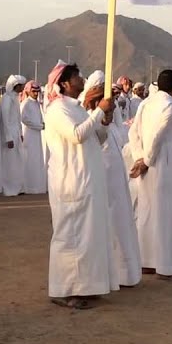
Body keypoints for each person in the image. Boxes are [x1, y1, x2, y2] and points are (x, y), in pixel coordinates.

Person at [42, 62, 115, 309]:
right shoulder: (57, 110)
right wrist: (98, 112)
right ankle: (65, 290)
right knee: (69, 237)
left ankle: (85, 287)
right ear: (64, 83)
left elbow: (96, 139)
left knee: (87, 237)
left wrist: (104, 120)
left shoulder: (78, 109)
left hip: (87, 179)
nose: (82, 80)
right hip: (70, 182)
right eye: (77, 77)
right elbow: (76, 135)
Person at [82, 71, 142, 287]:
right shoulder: (87, 117)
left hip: (117, 177)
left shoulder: (111, 118)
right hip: (102, 176)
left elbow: (119, 135)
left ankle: (125, 272)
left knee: (121, 219)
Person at [129, 69, 172, 280]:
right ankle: (164, 267)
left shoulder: (146, 103)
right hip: (161, 164)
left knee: (147, 211)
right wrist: (146, 160)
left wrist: (139, 157)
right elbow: (157, 136)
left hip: (147, 162)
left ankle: (146, 261)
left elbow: (133, 132)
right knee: (164, 214)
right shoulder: (170, 105)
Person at [0, 75, 27, 197]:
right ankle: (8, 188)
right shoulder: (7, 99)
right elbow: (5, 120)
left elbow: (17, 118)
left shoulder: (15, 98)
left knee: (17, 161)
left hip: (16, 134)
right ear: (16, 86)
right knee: (9, 162)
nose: (23, 88)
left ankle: (17, 187)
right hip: (9, 135)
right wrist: (8, 137)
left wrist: (20, 133)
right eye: (22, 85)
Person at [20, 81, 48, 194]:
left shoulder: (37, 104)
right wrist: (39, 126)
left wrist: (42, 125)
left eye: (37, 91)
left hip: (37, 135)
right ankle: (29, 187)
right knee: (29, 160)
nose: (36, 94)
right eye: (33, 91)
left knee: (37, 160)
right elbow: (24, 119)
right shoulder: (25, 104)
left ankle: (37, 186)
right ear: (28, 91)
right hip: (29, 135)